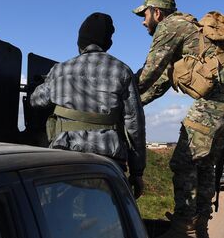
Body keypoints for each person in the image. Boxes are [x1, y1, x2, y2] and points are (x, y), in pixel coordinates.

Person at [133, 0, 224, 238]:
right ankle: (199, 227)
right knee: (204, 162)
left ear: (157, 13)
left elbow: (149, 72)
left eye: (145, 14)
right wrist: (132, 104)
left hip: (217, 96)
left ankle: (184, 228)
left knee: (183, 160)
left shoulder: (170, 26)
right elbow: (158, 84)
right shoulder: (186, 31)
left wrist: (119, 94)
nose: (143, 21)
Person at [30, 12, 146, 198]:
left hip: (64, 156)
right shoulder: (122, 71)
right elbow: (135, 124)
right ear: (108, 43)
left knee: (59, 216)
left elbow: (36, 101)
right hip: (107, 162)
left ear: (80, 42)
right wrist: (137, 172)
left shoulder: (59, 70)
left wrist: (40, 85)